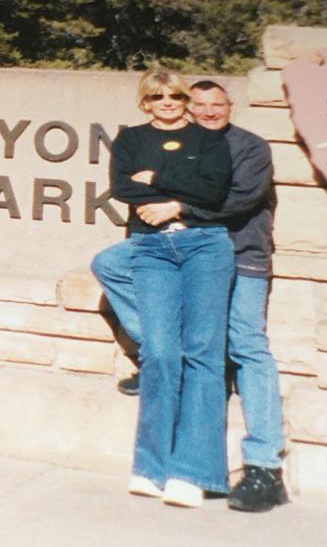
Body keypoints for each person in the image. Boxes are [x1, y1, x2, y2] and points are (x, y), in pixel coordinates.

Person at [92, 80, 289, 513]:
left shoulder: (249, 147)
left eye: (216, 104)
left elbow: (235, 198)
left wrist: (177, 204)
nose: (207, 111)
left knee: (246, 345)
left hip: (239, 254)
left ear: (229, 106)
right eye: (197, 103)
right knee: (109, 264)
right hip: (171, 246)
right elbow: (135, 186)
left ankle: (264, 465)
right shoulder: (180, 139)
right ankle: (161, 355)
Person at [97, 67, 234, 508]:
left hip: (204, 247)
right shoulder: (130, 140)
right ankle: (151, 467)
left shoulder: (209, 140)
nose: (168, 103)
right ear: (146, 102)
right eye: (157, 97)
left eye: (174, 95)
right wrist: (171, 196)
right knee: (158, 352)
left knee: (202, 354)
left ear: (184, 99)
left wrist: (157, 184)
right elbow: (120, 187)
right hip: (152, 248)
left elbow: (213, 193)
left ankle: (193, 473)